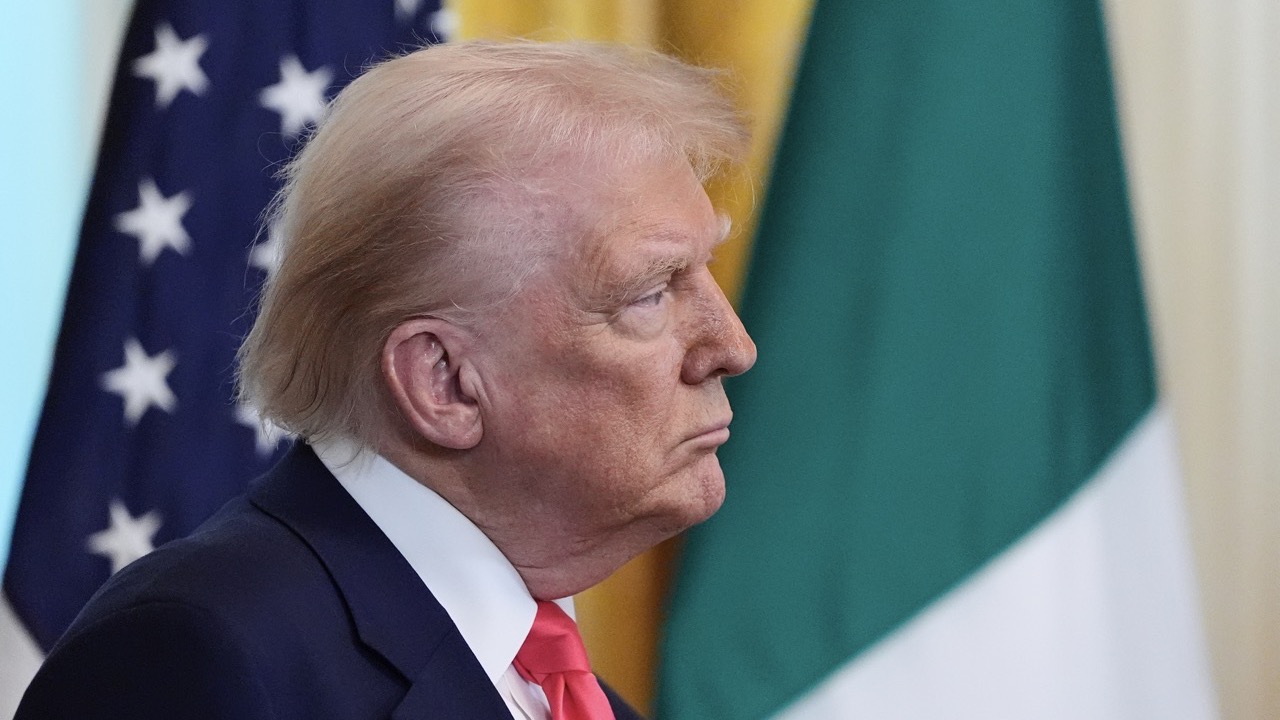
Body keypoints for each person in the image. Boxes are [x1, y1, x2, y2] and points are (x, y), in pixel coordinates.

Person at [16, 40, 756, 720]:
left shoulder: (577, 702)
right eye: (651, 293)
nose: (733, 347)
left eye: (704, 273)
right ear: (444, 382)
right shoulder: (192, 660)